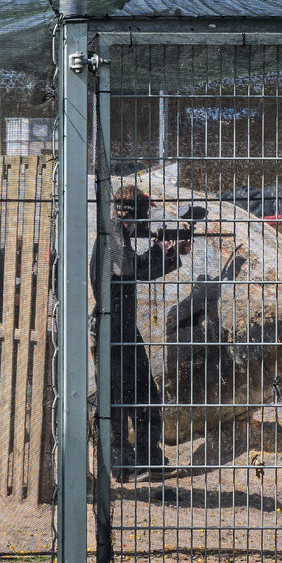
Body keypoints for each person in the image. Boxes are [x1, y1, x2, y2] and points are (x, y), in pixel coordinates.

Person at [92, 186, 190, 480]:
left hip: (123, 328)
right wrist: (162, 249)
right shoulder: (110, 231)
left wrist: (171, 251)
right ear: (132, 212)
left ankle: (150, 460)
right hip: (111, 329)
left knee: (145, 394)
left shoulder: (117, 233)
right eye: (145, 212)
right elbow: (131, 266)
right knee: (118, 400)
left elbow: (137, 268)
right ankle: (123, 467)